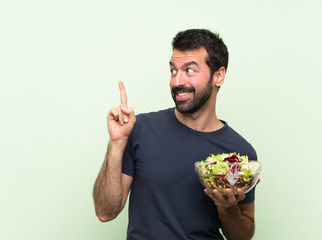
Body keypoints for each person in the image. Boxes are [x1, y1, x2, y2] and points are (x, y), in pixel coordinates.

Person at [93, 29, 258, 240]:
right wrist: (116, 144)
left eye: (189, 70)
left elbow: (242, 236)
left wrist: (228, 207)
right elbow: (105, 212)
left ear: (218, 76)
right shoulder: (140, 129)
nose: (177, 81)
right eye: (173, 71)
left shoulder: (240, 154)